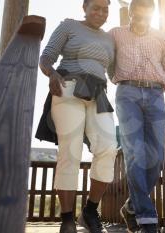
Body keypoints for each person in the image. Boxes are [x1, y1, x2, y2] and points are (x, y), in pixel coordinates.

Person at [35, 0, 117, 232]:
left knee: (109, 147)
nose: (100, 12)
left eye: (105, 8)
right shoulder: (69, 26)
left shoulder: (109, 39)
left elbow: (114, 72)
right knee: (70, 150)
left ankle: (90, 211)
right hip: (67, 87)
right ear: (85, 7)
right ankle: (68, 218)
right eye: (96, 7)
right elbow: (46, 58)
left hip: (98, 94)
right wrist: (51, 73)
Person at [108, 0, 165, 232]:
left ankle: (131, 206)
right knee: (134, 154)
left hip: (155, 95)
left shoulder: (161, 38)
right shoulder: (116, 34)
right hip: (127, 93)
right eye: (137, 17)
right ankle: (147, 218)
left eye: (146, 17)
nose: (141, 22)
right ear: (129, 14)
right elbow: (105, 63)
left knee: (156, 157)